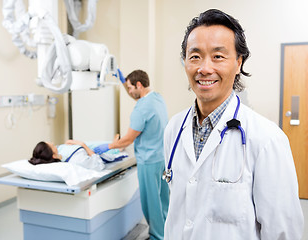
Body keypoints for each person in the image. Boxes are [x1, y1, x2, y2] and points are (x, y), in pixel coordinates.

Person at [163, 9, 304, 240]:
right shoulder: (174, 130)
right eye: (195, 56)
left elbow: (283, 232)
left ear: (238, 63)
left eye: (218, 56)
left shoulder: (267, 139)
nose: (204, 68)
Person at [94, 69, 169, 240]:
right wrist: (124, 81)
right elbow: (137, 96)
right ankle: (167, 231)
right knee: (163, 198)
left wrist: (108, 146)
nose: (129, 92)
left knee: (151, 202)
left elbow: (127, 139)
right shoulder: (157, 98)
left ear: (139, 85)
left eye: (130, 88)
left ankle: (157, 236)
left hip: (148, 161)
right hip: (163, 158)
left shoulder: (141, 109)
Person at [29, 140, 105, 171]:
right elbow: (99, 165)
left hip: (85, 146)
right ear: (54, 156)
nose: (52, 143)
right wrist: (83, 145)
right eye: (52, 146)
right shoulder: (77, 160)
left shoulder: (58, 152)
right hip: (98, 153)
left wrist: (67, 144)